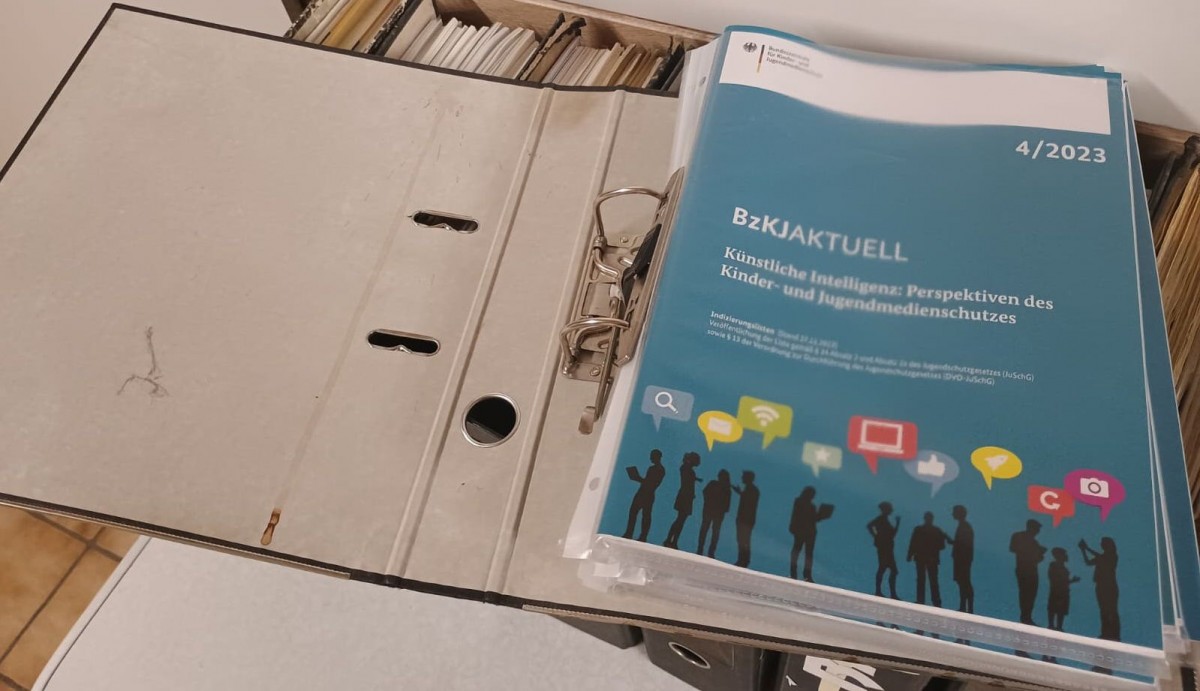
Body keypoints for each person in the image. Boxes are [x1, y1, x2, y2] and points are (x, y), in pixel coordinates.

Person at [1079, 538, 1120, 642]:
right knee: (1103, 610)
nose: (1102, 545)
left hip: (1109, 586)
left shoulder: (1112, 556)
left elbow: (1102, 559)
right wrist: (1083, 550)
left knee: (1111, 610)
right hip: (1100, 585)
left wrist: (1087, 548)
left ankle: (1114, 634)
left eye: (1104, 543)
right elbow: (1088, 562)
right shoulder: (1102, 556)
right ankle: (1105, 633)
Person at [906, 512, 950, 607]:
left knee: (924, 580)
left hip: (923, 558)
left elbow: (913, 543)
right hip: (930, 559)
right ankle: (935, 601)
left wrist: (910, 555)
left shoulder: (919, 529)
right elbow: (942, 546)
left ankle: (922, 600)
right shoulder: (936, 530)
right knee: (931, 580)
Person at [789, 486, 832, 582]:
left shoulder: (806, 505)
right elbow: (809, 518)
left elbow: (812, 519)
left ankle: (801, 574)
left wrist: (821, 515)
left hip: (807, 532)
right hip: (805, 532)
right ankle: (801, 574)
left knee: (802, 552)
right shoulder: (804, 504)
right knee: (801, 552)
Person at [622, 449, 665, 541]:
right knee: (635, 513)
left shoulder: (660, 470)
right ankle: (630, 533)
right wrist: (639, 479)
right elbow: (647, 481)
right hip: (642, 492)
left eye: (652, 456)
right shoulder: (653, 468)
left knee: (645, 515)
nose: (651, 458)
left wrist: (638, 479)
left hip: (647, 494)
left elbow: (652, 483)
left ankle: (641, 536)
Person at [1010, 519, 1047, 625]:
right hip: (1023, 570)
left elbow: (1037, 559)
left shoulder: (1035, 543)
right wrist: (1032, 551)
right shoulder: (1018, 536)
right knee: (1025, 593)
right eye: (1037, 528)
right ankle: (1024, 617)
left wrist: (1040, 554)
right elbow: (1013, 548)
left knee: (1031, 594)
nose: (1037, 531)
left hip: (1033, 571)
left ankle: (1027, 617)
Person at [663, 452, 701, 549]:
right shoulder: (686, 468)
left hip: (686, 497)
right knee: (680, 520)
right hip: (685, 497)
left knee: (680, 520)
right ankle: (671, 540)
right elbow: (687, 481)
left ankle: (672, 540)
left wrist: (695, 479)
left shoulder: (686, 469)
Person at [866, 502, 900, 598]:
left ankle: (888, 592)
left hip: (887, 548)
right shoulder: (881, 519)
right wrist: (876, 536)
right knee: (886, 569)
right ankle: (884, 592)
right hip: (884, 548)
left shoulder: (884, 519)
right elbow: (870, 526)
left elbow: (892, 535)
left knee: (887, 570)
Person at [696, 470, 733, 557]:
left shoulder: (718, 485)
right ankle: (707, 551)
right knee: (712, 531)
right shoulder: (725, 488)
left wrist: (708, 503)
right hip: (715, 512)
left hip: (711, 511)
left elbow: (705, 492)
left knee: (707, 530)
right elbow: (727, 504)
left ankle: (703, 549)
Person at [1047, 547, 1081, 632]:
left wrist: (1071, 581)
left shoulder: (1063, 568)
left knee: (1060, 611)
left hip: (1063, 592)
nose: (1066, 556)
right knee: (1054, 609)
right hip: (1057, 591)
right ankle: (1051, 625)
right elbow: (1056, 580)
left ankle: (1059, 627)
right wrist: (1071, 581)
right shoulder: (1054, 566)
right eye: (1064, 554)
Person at [732, 471, 759, 567]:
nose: (742, 478)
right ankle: (743, 560)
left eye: (743, 476)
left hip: (745, 520)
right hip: (745, 520)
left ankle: (743, 560)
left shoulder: (752, 490)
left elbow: (748, 503)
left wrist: (741, 493)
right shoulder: (751, 490)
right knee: (742, 540)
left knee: (744, 540)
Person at [950, 505, 975, 613]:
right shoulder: (963, 526)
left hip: (962, 560)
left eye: (954, 512)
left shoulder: (965, 527)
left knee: (964, 582)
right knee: (962, 582)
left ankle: (968, 607)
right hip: (961, 559)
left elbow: (964, 545)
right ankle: (964, 606)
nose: (953, 514)